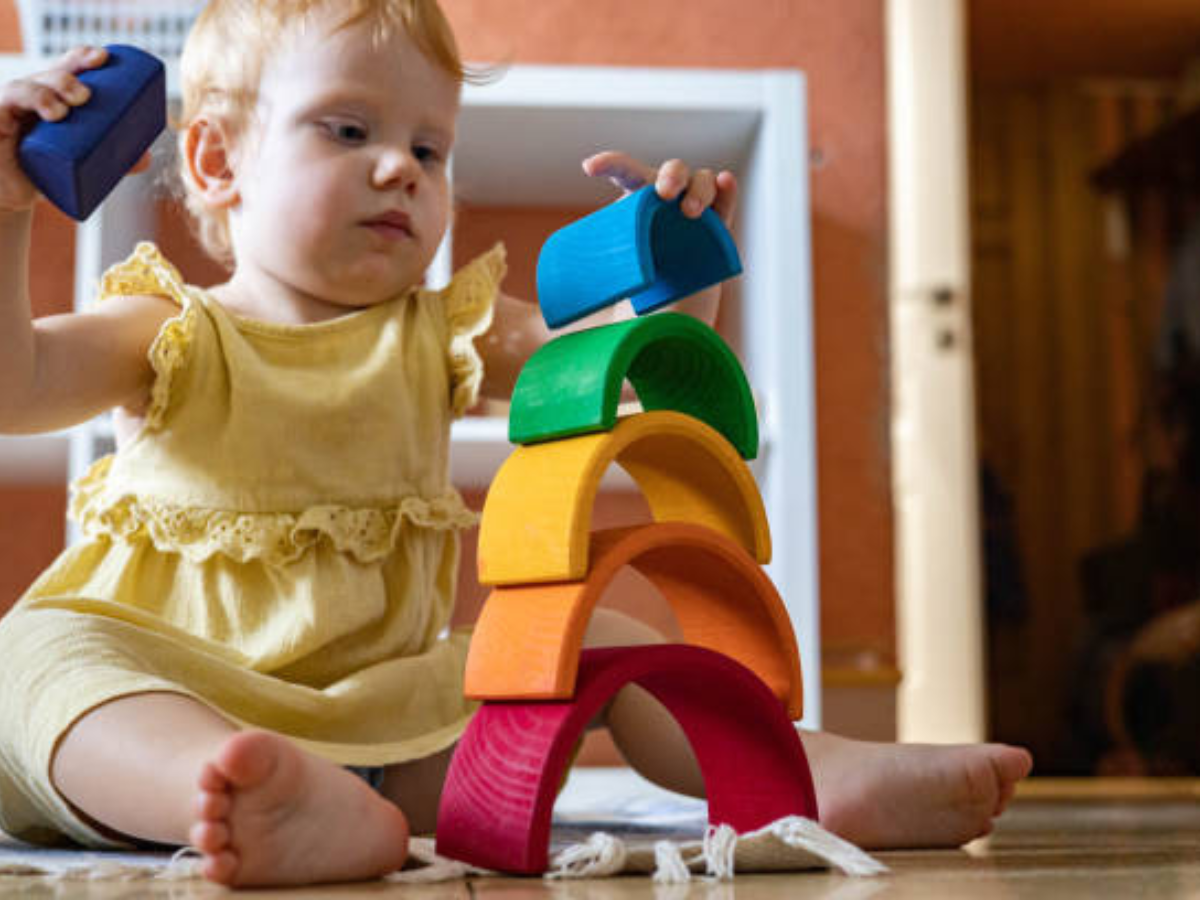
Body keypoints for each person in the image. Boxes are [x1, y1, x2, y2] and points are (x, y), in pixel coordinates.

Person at [0, 0, 1032, 888]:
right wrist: (8, 209)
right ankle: (226, 789)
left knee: (604, 632)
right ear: (219, 161)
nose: (400, 167)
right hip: (175, 698)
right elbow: (17, 385)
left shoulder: (444, 332)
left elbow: (612, 366)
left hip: (391, 726)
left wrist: (674, 265)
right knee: (31, 655)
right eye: (348, 129)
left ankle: (806, 777)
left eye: (430, 147)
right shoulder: (173, 328)